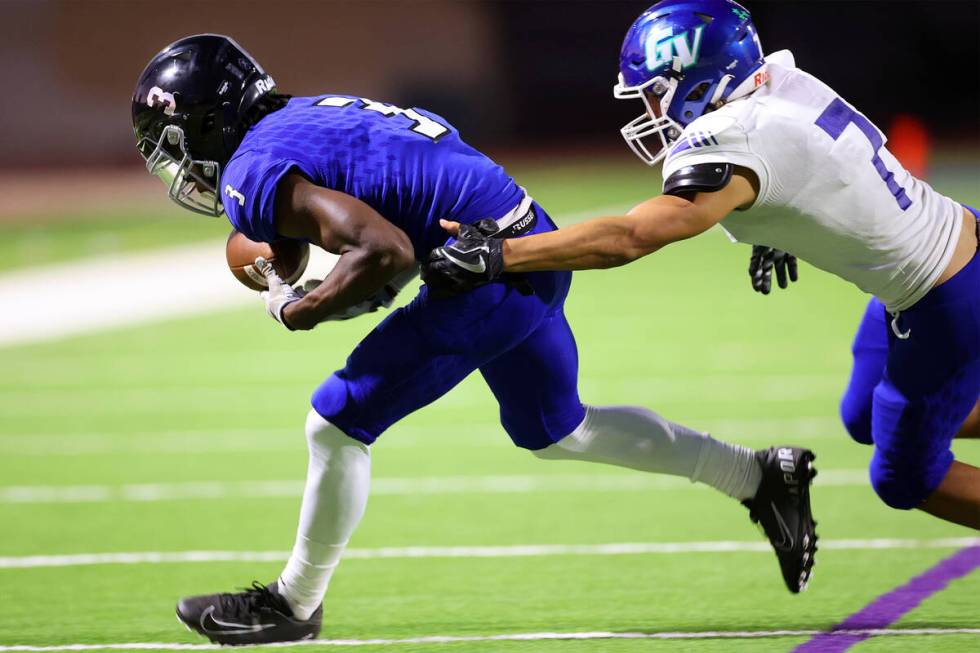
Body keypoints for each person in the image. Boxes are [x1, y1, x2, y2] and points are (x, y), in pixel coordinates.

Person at [132, 33, 817, 646]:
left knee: (334, 423)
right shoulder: (308, 111)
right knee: (558, 431)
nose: (179, 165)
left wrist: (298, 309)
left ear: (203, 121)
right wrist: (289, 253)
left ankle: (292, 603)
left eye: (173, 144)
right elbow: (369, 195)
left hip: (484, 270)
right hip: (526, 237)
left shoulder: (252, 166)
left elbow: (385, 252)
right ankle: (758, 475)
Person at [425, 0, 980, 529]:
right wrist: (783, 224)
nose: (650, 111)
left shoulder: (737, 134)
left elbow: (632, 237)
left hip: (942, 298)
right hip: (952, 249)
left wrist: (499, 254)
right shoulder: (779, 81)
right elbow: (821, 163)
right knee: (865, 414)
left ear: (698, 78)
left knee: (905, 476)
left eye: (654, 93)